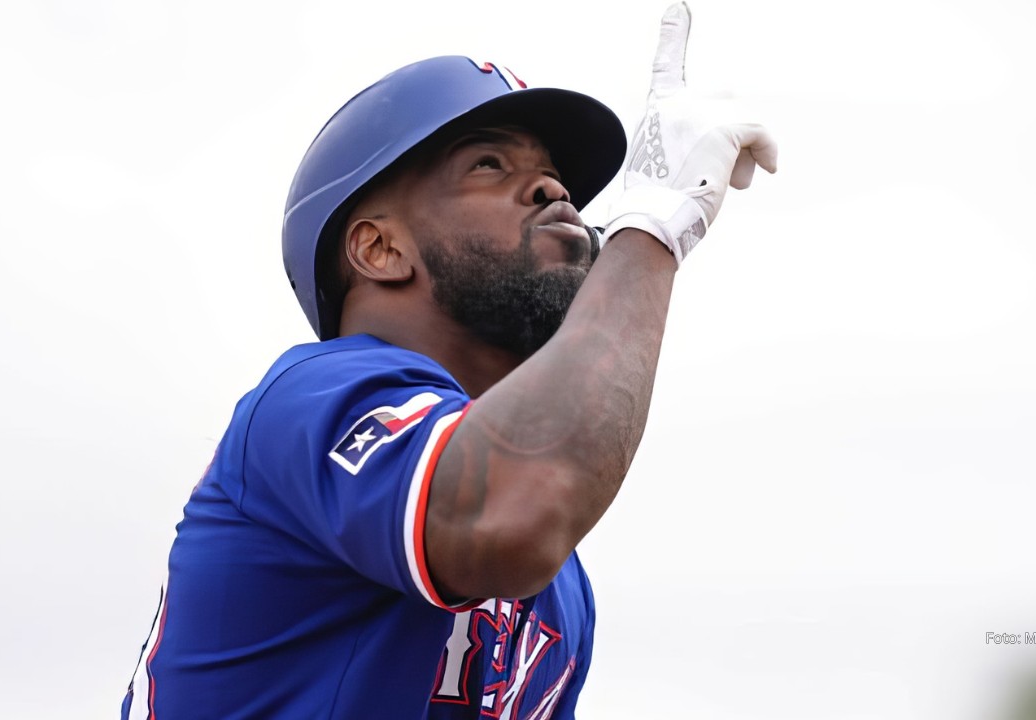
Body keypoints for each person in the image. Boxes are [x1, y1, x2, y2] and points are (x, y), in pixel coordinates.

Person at [122, 3, 775, 718]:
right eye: (490, 165)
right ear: (379, 249)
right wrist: (651, 227)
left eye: (554, 174)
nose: (553, 189)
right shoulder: (311, 399)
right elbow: (513, 512)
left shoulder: (563, 589)